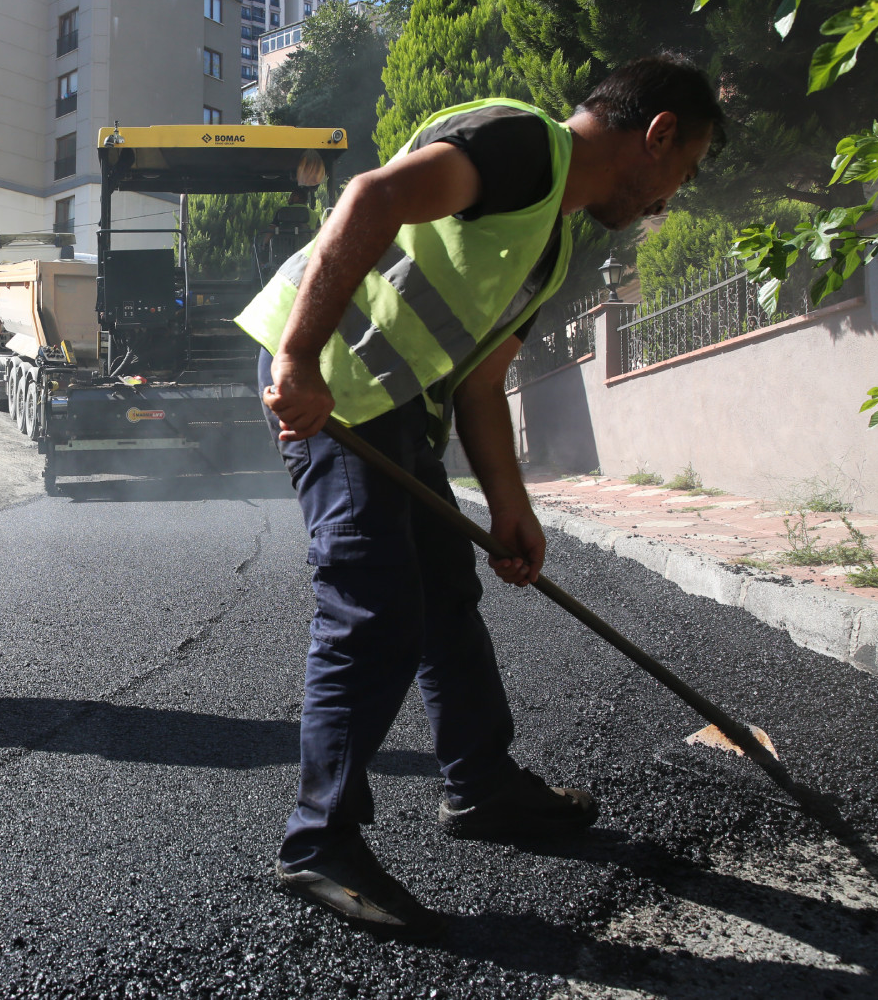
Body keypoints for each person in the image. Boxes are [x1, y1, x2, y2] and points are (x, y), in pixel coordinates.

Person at [234, 55, 725, 940]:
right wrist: (300, 358)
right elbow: (371, 199)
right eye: (680, 175)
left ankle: (482, 783)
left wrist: (510, 507)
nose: (667, 202)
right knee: (373, 602)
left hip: (392, 407)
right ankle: (319, 841)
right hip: (331, 381)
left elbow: (481, 382)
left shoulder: (560, 238)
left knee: (447, 591)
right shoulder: (521, 146)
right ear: (656, 135)